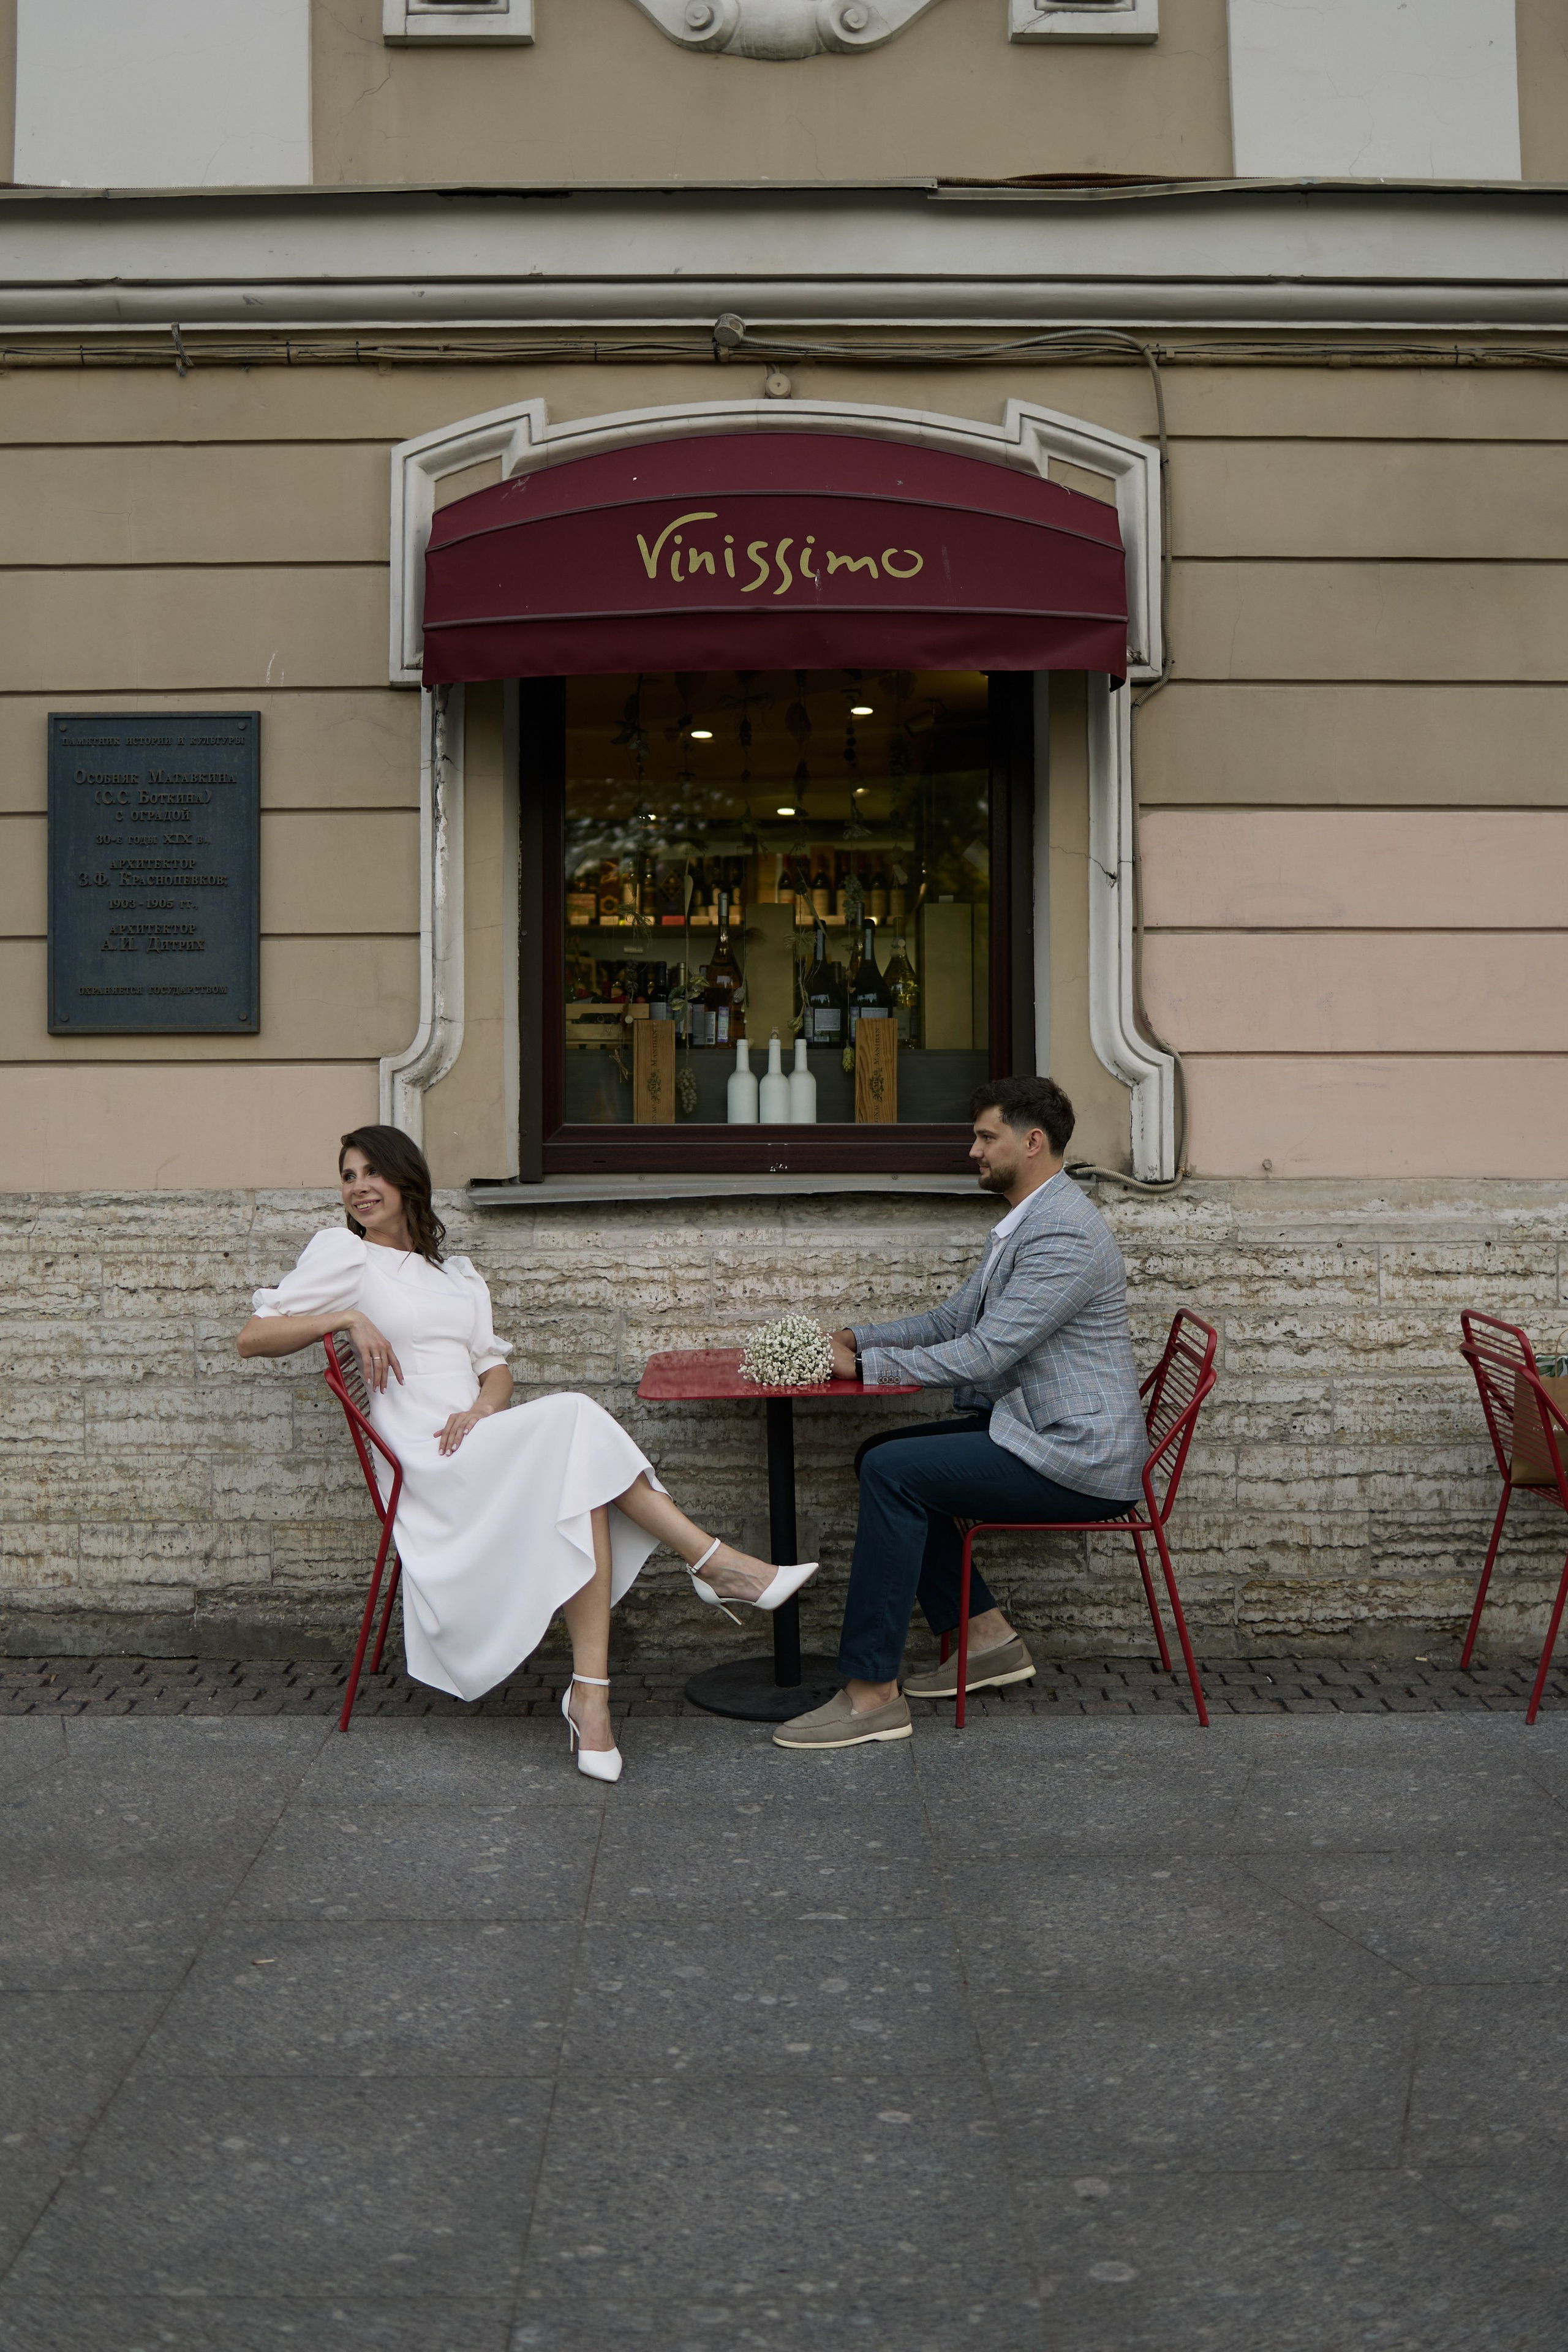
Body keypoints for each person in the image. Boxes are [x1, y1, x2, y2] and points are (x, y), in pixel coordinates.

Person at [237, 1126, 816, 1780]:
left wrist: (483, 1409)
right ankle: (716, 1566)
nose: (359, 1187)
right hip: (424, 1461)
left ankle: (593, 1697)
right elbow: (252, 1338)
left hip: (477, 1434)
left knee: (579, 1474)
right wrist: (344, 1319)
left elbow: (495, 1368)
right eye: (348, 1176)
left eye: (372, 1171)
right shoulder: (344, 1255)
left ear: (406, 1179)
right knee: (575, 1423)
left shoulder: (455, 1275)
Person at [773, 1077, 1148, 1752]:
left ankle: (870, 1697)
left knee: (893, 1471)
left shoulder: (1061, 1233)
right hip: (1038, 1427)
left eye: (985, 1136)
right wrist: (859, 1338)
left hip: (1076, 1453)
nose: (970, 1150)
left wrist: (861, 1371)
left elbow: (985, 1352)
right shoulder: (1028, 1219)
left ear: (1032, 1142)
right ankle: (986, 1638)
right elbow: (954, 1320)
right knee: (879, 1460)